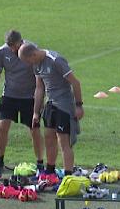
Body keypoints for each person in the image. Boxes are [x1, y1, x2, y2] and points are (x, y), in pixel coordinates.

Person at [17, 42, 83, 183]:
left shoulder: (56, 60)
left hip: (64, 105)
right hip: (51, 104)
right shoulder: (36, 64)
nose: (29, 64)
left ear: (33, 54)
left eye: (28, 61)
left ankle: (68, 177)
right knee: (48, 137)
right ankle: (50, 171)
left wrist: (78, 106)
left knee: (63, 141)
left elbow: (76, 83)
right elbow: (39, 88)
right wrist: (36, 112)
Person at [0, 30, 44, 181]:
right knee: (2, 126)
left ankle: (40, 164)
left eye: (15, 46)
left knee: (34, 129)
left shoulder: (31, 50)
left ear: (21, 42)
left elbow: (39, 78)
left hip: (29, 97)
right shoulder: (2, 52)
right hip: (9, 95)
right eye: (10, 46)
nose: (13, 49)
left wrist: (39, 101)